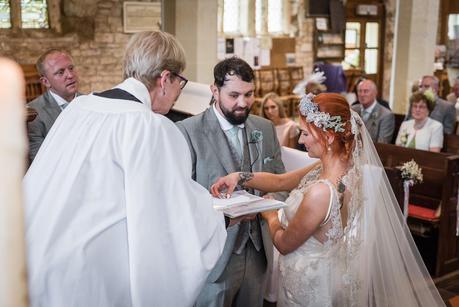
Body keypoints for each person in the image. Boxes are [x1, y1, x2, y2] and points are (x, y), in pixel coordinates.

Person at [23, 31, 227, 307]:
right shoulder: (149, 127)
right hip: (88, 279)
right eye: (181, 83)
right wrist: (221, 218)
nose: (179, 93)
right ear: (165, 79)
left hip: (36, 262)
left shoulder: (79, 108)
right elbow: (172, 218)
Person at [211, 93, 445, 306]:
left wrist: (270, 215)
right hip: (327, 272)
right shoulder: (345, 168)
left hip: (308, 285)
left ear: (329, 135)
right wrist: (239, 177)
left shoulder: (322, 192)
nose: (301, 140)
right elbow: (282, 182)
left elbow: (283, 243)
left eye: (305, 133)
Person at [176, 57, 286, 307]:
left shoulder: (265, 128)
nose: (243, 103)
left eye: (249, 95)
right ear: (214, 90)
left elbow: (282, 183)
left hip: (258, 253)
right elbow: (182, 198)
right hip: (215, 257)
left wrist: (270, 202)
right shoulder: (188, 131)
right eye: (234, 94)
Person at [27, 49, 81, 161]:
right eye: (60, 72)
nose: (70, 75)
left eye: (71, 68)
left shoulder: (91, 103)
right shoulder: (33, 114)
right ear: (46, 82)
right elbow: (39, 160)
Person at [352, 79, 394, 143]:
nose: (362, 94)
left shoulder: (386, 115)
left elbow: (382, 144)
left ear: (375, 93)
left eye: (366, 91)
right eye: (360, 91)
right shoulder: (353, 109)